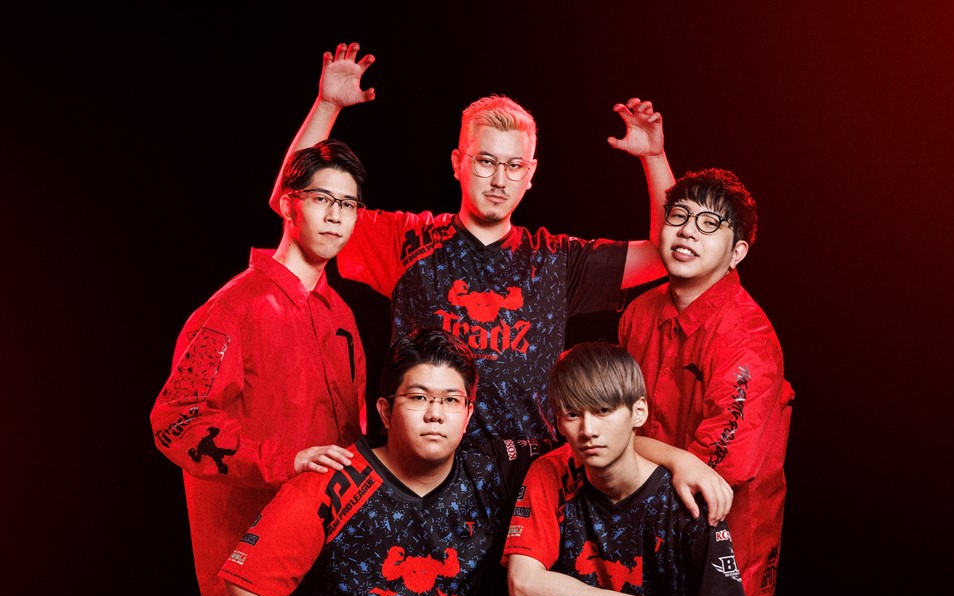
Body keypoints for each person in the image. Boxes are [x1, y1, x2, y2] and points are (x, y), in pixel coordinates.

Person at [218, 330, 734, 596]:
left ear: (468, 415)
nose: (435, 414)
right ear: (385, 410)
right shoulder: (333, 479)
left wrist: (681, 460)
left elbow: (594, 439)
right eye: (419, 398)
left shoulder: (493, 470)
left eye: (451, 401)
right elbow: (248, 585)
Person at [268, 43, 679, 451]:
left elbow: (667, 254)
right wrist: (327, 106)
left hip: (526, 472)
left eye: (514, 166)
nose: (499, 180)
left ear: (530, 174)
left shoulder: (556, 260)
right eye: (485, 161)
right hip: (422, 469)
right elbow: (294, 204)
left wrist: (654, 157)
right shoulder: (407, 239)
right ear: (457, 163)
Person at [151, 139, 372, 596]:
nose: (335, 216)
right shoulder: (234, 308)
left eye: (348, 204)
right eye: (321, 199)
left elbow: (351, 434)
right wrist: (284, 458)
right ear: (287, 203)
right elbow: (176, 420)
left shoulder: (340, 315)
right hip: (256, 564)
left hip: (325, 560)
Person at [614, 102, 795, 596]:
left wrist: (631, 450)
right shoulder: (639, 313)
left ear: (737, 252)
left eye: (708, 224)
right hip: (642, 557)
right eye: (678, 217)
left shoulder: (747, 339)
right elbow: (610, 420)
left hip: (725, 565)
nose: (687, 231)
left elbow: (715, 475)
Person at [503, 342, 748, 596]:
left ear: (638, 411)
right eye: (572, 414)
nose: (588, 430)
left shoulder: (690, 503)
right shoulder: (551, 473)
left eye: (603, 410)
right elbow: (522, 585)